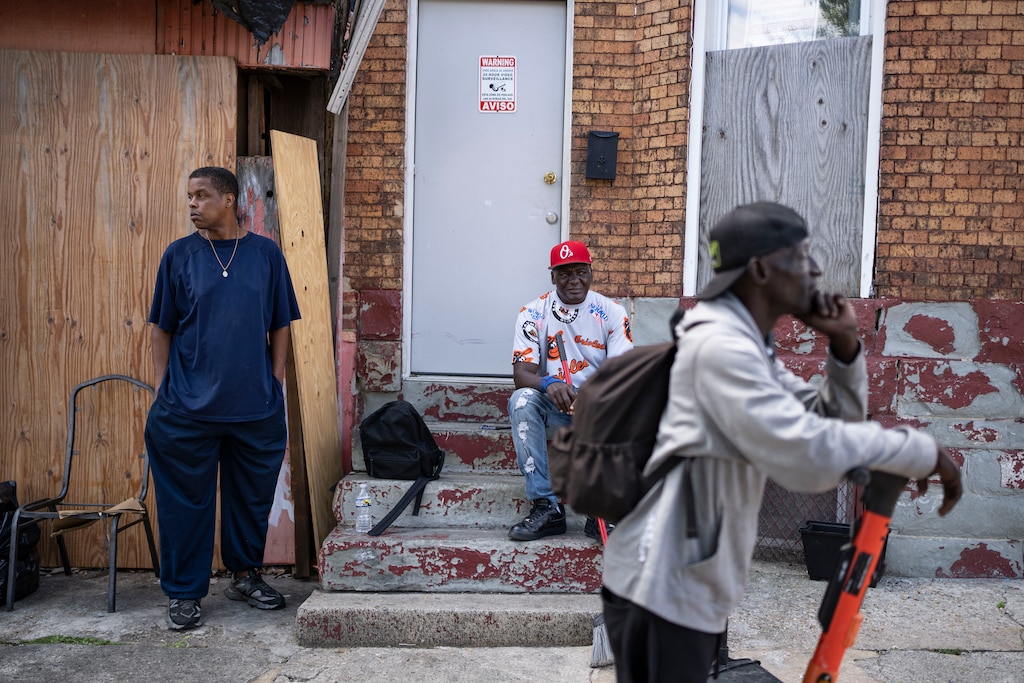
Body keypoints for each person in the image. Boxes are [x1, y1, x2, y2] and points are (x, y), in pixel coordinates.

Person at [600, 202, 963, 682]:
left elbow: (824, 420)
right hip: (661, 585)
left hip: (688, 579)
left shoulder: (745, 344)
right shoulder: (720, 349)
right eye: (802, 255)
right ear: (759, 269)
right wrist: (916, 451)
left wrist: (845, 349)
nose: (815, 269)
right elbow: (805, 458)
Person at [144, 166, 301, 630]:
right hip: (186, 410)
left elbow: (280, 324)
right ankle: (184, 593)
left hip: (254, 407)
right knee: (184, 505)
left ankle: (246, 575)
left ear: (230, 199)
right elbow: (162, 327)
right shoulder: (179, 256)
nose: (192, 204)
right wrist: (161, 388)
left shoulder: (265, 256)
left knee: (251, 498)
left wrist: (274, 383)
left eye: (202, 195)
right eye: (189, 196)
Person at [508, 240, 634, 541]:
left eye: (580, 271)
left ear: (591, 272)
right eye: (564, 273)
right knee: (521, 400)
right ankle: (547, 507)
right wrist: (549, 384)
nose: (573, 280)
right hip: (555, 406)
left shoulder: (612, 312)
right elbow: (521, 373)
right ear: (553, 276)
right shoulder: (533, 312)